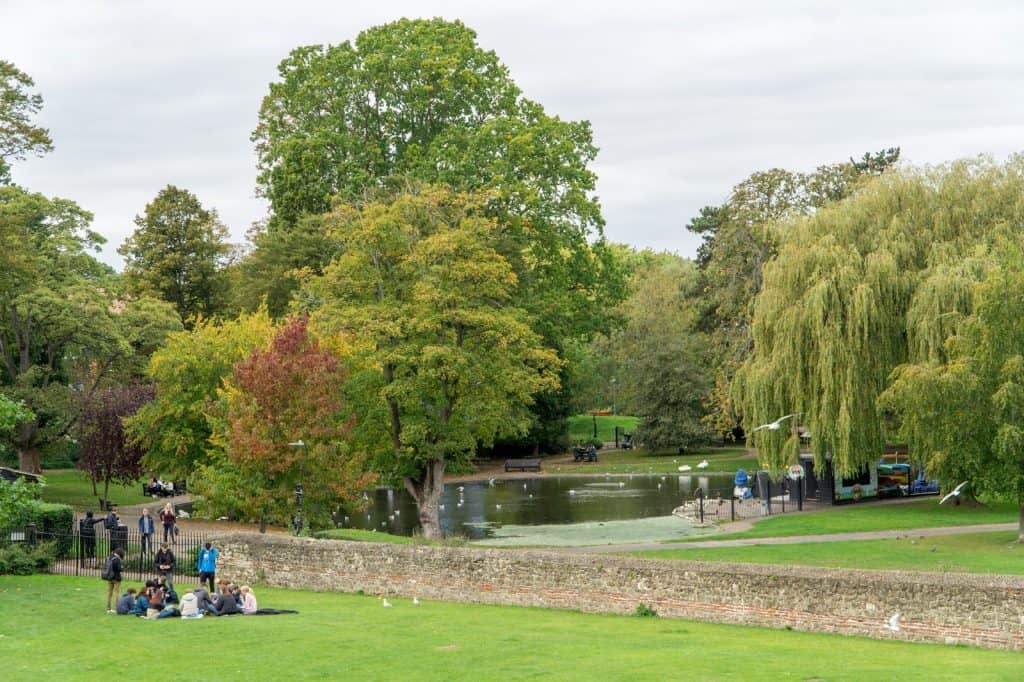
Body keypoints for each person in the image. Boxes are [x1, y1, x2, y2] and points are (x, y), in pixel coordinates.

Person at [103, 547, 124, 613]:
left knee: (109, 593)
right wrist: (122, 567)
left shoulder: (109, 557)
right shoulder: (117, 559)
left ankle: (108, 608)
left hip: (109, 577)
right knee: (116, 593)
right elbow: (119, 569)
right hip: (116, 578)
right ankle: (117, 608)